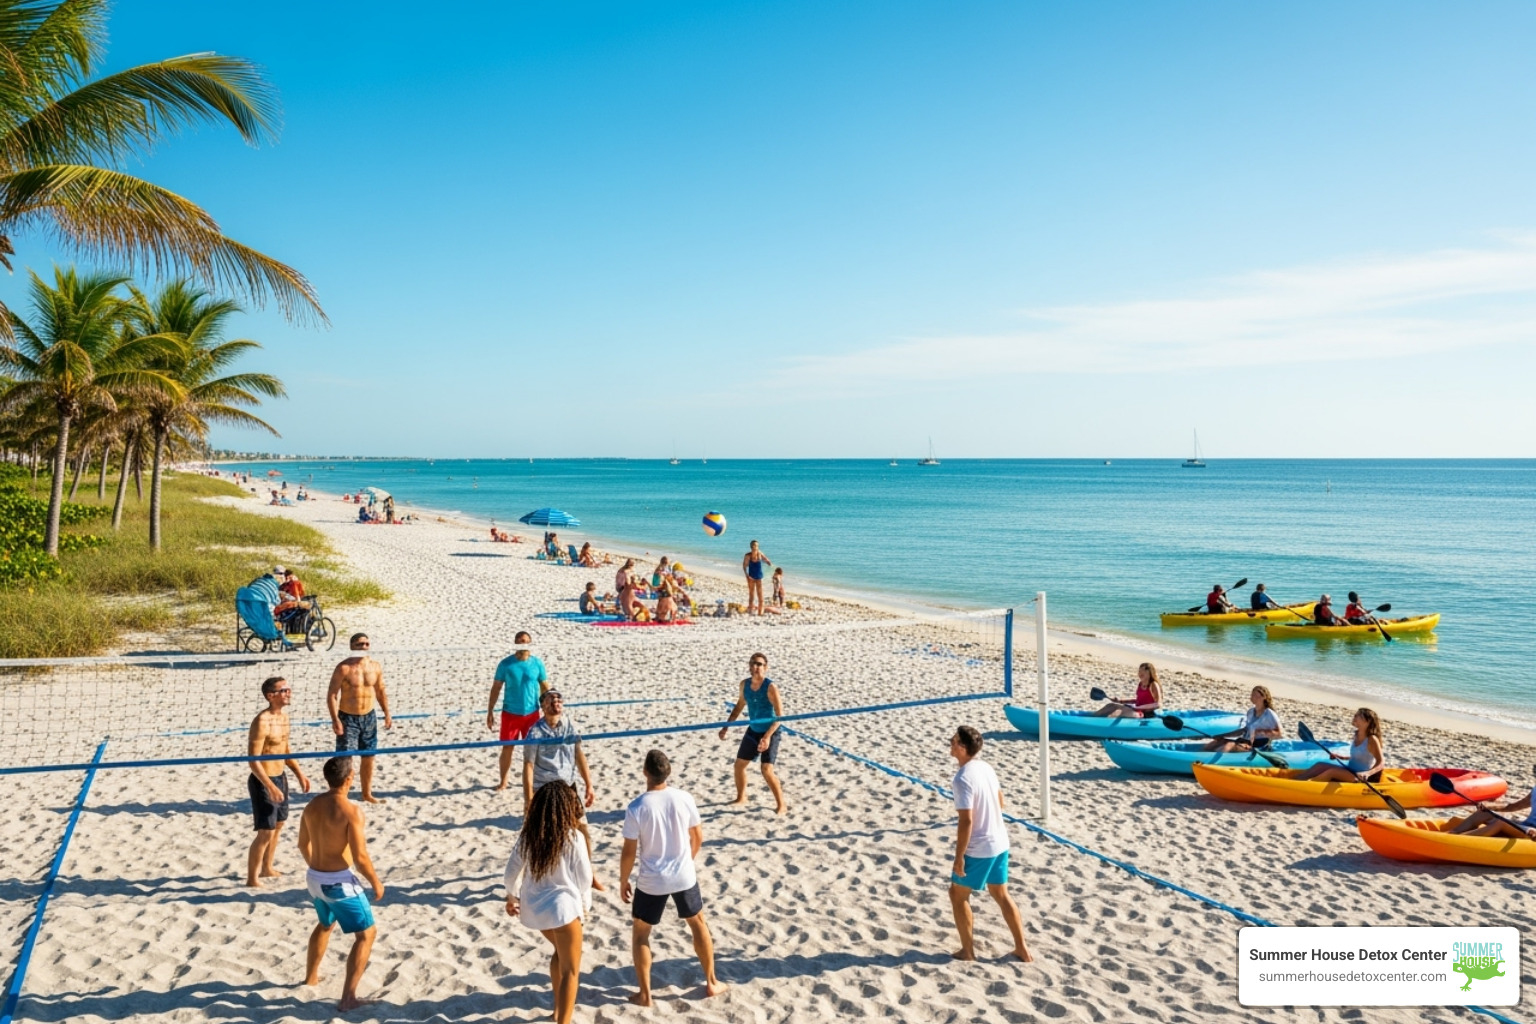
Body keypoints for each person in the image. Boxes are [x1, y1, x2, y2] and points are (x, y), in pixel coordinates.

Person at [619, 749, 726, 1005]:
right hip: (683, 875)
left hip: (652, 880)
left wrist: (623, 881)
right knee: (698, 923)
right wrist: (686, 862)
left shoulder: (637, 807)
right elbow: (697, 837)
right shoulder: (684, 798)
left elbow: (629, 852)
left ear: (645, 772)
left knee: (641, 934)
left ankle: (645, 994)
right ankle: (711, 982)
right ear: (668, 771)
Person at [299, 756, 384, 1012]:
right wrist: (376, 882)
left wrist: (318, 867)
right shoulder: (351, 810)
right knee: (366, 934)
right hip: (338, 882)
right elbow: (360, 857)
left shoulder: (312, 805)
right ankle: (348, 999)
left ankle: (311, 978)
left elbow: (303, 845)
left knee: (325, 924)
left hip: (314, 878)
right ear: (349, 779)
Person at [505, 781, 592, 1024]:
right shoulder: (573, 836)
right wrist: (585, 908)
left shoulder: (529, 835)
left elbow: (511, 871)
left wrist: (511, 896)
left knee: (559, 953)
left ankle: (556, 1011)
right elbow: (585, 878)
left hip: (535, 909)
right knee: (571, 971)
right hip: (563, 910)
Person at [948, 725, 1031, 963]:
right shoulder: (985, 767)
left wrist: (959, 856)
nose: (951, 744)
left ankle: (967, 951)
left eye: (953, 741)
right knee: (1001, 894)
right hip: (1000, 841)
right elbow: (1000, 802)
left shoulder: (962, 779)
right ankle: (1022, 948)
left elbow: (966, 821)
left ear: (963, 748)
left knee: (957, 894)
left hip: (981, 847)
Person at [524, 690, 603, 889]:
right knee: (538, 835)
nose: (556, 701)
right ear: (542, 706)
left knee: (583, 829)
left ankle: (590, 874)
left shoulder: (569, 725)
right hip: (545, 789)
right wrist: (528, 799)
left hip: (568, 786)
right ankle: (531, 877)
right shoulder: (535, 732)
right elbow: (528, 766)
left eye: (559, 698)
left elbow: (578, 754)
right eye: (551, 699)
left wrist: (589, 784)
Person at [246, 676, 311, 887]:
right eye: (283, 690)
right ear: (270, 696)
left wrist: (299, 774)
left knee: (279, 826)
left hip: (280, 777)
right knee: (265, 832)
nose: (288, 693)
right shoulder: (262, 721)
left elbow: (284, 748)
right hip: (263, 780)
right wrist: (270, 786)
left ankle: (267, 867)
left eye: (288, 689)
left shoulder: (284, 718)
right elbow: (253, 760)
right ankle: (251, 879)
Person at [718, 652, 787, 814]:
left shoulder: (770, 687)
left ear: (766, 667)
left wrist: (767, 737)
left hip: (771, 730)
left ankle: (781, 804)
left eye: (759, 664)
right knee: (739, 765)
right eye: (752, 664)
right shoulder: (744, 685)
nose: (755, 667)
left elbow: (780, 716)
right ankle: (742, 797)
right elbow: (739, 706)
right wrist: (726, 726)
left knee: (766, 769)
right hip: (753, 729)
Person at [328, 633, 392, 803]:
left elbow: (380, 691)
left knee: (369, 756)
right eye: (359, 644)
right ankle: (340, 795)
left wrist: (387, 713)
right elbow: (332, 695)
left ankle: (366, 793)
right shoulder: (343, 668)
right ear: (352, 647)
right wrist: (335, 719)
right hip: (347, 718)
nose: (363, 647)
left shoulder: (375, 666)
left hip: (369, 717)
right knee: (344, 758)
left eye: (366, 644)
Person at [489, 631, 549, 790]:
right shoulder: (506, 664)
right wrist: (490, 711)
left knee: (533, 749)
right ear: (515, 643)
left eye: (527, 641)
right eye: (521, 641)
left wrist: (548, 708)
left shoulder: (537, 663)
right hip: (510, 713)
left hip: (532, 713)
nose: (524, 644)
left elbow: (544, 686)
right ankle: (503, 782)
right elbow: (496, 688)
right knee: (507, 748)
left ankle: (534, 781)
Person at [1297, 708, 1384, 783]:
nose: (1354, 717)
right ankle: (1296, 780)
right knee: (1320, 765)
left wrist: (1367, 773)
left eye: (1358, 715)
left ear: (1367, 721)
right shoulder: (1357, 735)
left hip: (1359, 776)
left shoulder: (1372, 739)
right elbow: (1359, 757)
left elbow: (1381, 763)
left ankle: (1308, 785)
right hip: (1349, 770)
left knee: (1332, 772)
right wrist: (1341, 757)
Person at [1447, 776, 1536, 840]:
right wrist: (1488, 807)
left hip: (1533, 831)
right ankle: (1451, 834)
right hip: (1525, 824)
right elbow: (1514, 806)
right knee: (1484, 813)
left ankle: (1459, 840)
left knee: (1501, 823)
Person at [1203, 686, 1283, 753]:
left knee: (1229, 745)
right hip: (1245, 742)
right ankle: (1200, 757)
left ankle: (1213, 764)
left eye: (1255, 695)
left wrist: (1259, 732)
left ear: (1263, 697)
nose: (1252, 696)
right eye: (1252, 694)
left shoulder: (1269, 713)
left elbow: (1280, 734)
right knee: (1218, 742)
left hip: (1258, 746)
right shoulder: (1250, 712)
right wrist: (1222, 735)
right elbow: (1244, 730)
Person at [1091, 662, 1161, 718]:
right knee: (1111, 705)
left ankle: (1102, 725)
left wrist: (1139, 707)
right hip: (1136, 709)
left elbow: (1158, 704)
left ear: (1150, 673)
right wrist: (1120, 701)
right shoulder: (1141, 684)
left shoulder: (1153, 684)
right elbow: (1138, 700)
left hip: (1145, 714)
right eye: (1139, 671)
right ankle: (1092, 717)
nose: (1140, 673)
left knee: (1118, 712)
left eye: (1143, 671)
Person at [742, 541, 772, 615]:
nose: (755, 547)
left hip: (759, 576)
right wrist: (747, 576)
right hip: (751, 576)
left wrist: (769, 563)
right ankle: (750, 608)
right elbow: (744, 566)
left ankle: (760, 610)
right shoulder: (748, 556)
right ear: (751, 546)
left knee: (760, 593)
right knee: (751, 593)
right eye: (754, 545)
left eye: (757, 546)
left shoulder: (760, 554)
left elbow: (766, 559)